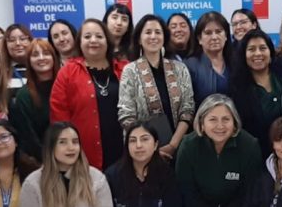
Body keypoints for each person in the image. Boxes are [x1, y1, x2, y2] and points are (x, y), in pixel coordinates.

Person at [50, 18, 128, 169]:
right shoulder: (67, 72)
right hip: (84, 156)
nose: (93, 40)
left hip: (124, 152)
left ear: (107, 40)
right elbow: (59, 116)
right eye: (87, 37)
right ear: (79, 42)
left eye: (99, 36)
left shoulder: (125, 69)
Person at [118, 14, 195, 161]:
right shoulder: (130, 70)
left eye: (158, 32)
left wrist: (173, 145)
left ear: (165, 38)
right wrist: (150, 147)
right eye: (148, 32)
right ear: (139, 39)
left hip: (180, 148)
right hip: (143, 152)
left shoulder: (180, 69)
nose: (153, 36)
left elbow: (188, 109)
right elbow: (126, 115)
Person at [229, 29, 282, 157]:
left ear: (270, 52)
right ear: (244, 55)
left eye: (263, 48)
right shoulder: (236, 86)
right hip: (257, 153)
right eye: (251, 49)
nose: (257, 53)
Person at [11, 39, 59, 160]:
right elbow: (28, 136)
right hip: (41, 160)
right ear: (29, 61)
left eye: (46, 53)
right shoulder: (24, 95)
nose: (41, 58)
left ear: (54, 58)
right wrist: (48, 160)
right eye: (35, 55)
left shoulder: (65, 87)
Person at [185, 11, 233, 104]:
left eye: (219, 31)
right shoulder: (189, 66)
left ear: (226, 36)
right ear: (199, 39)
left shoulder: (236, 63)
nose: (214, 37)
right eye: (208, 33)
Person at [5, 24, 33, 89]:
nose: (18, 43)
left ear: (31, 41)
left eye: (22, 39)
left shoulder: (39, 68)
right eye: (12, 40)